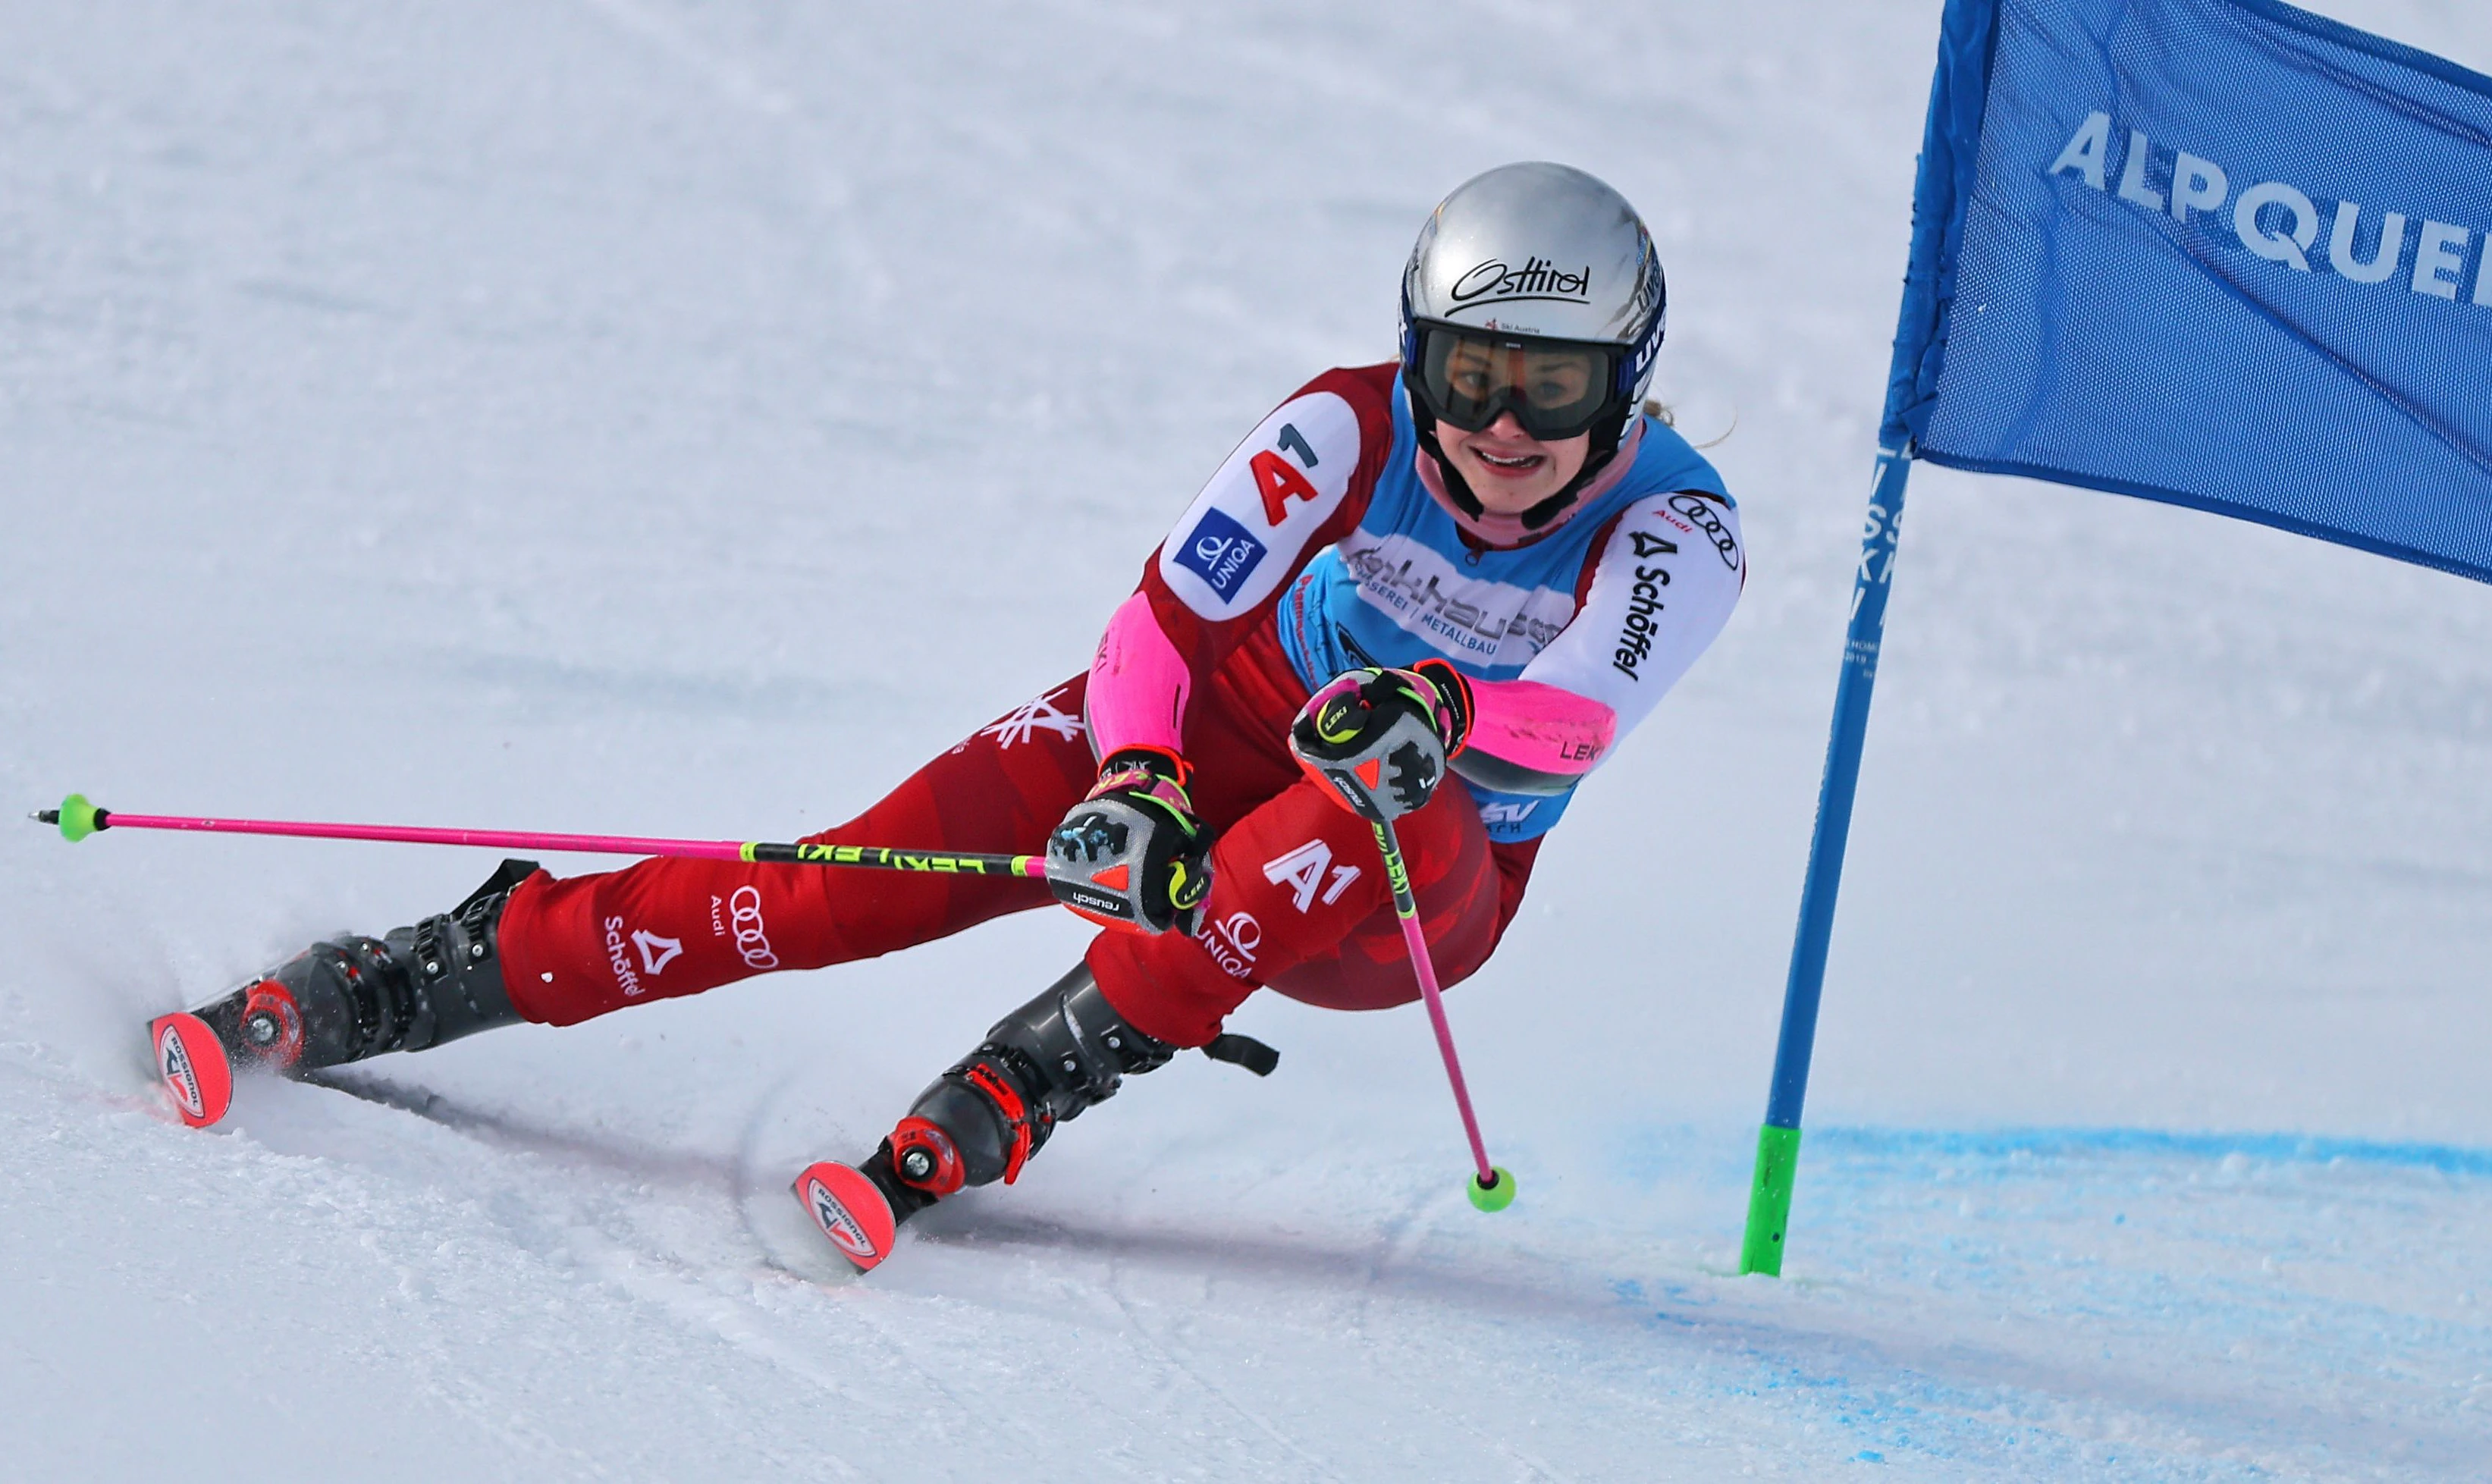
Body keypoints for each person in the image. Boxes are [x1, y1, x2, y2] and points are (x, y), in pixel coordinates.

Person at [150, 162, 1747, 1270]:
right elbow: (1158, 626)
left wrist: (1432, 715)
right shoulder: (1340, 425)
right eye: (1470, 375)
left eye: (1551, 387)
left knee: (1368, 791)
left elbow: (1567, 723)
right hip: (1220, 733)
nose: (1500, 428)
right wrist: (1133, 774)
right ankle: (421, 976)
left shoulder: (1679, 530)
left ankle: (1030, 1077)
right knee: (833, 890)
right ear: (1418, 355)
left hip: (1415, 881)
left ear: (1624, 381)